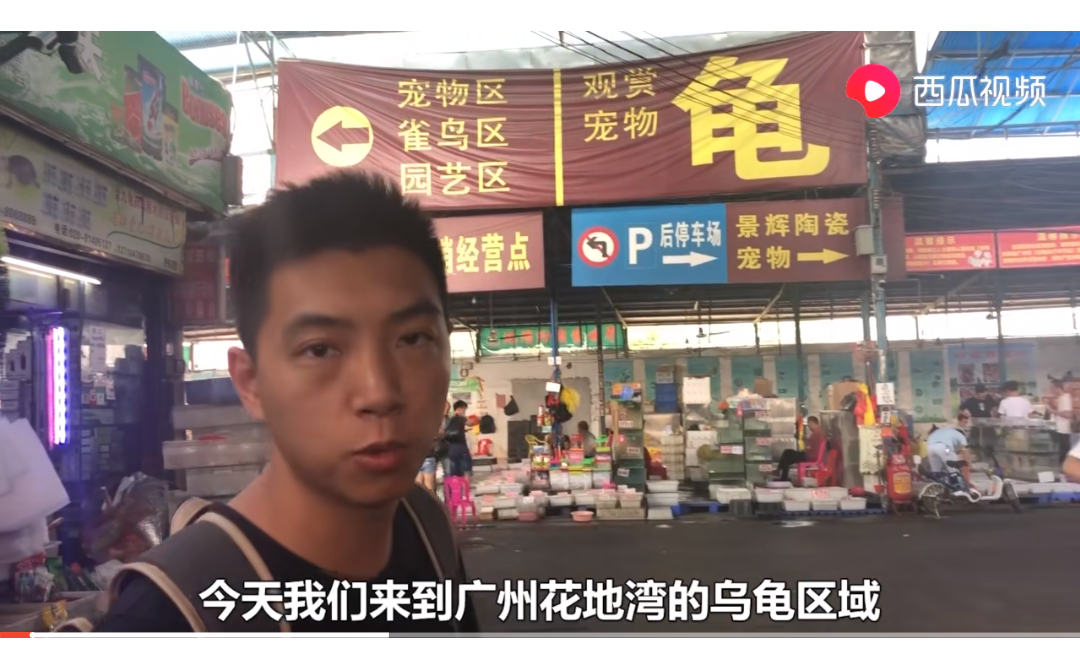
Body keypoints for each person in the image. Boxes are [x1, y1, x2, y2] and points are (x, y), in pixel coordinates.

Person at [95, 172, 478, 632]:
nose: (379, 393)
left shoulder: (426, 529)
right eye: (320, 349)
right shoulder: (166, 620)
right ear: (251, 383)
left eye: (412, 339)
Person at [926, 412, 975, 489]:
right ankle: (960, 490)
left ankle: (938, 490)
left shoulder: (947, 431)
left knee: (937, 473)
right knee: (954, 470)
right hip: (945, 448)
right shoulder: (961, 436)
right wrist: (968, 463)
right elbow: (964, 451)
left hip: (930, 446)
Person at [776, 416, 826, 483]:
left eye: (809, 425)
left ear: (811, 423)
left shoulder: (817, 433)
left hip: (809, 456)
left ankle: (781, 473)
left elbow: (808, 444)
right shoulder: (820, 431)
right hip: (810, 455)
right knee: (787, 455)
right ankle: (782, 474)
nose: (809, 427)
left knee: (787, 454)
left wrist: (802, 438)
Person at [444, 400, 472, 478]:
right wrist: (464, 416)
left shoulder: (449, 419)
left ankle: (455, 485)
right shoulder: (460, 418)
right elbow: (471, 423)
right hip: (462, 450)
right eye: (464, 410)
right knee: (466, 471)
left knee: (454, 474)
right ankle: (465, 485)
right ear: (460, 409)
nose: (465, 412)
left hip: (451, 451)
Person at [1049, 380, 1073, 462]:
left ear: (1058, 388)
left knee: (1065, 452)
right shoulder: (1061, 398)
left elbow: (1068, 414)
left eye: (1052, 389)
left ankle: (1065, 467)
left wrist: (1053, 411)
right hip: (1061, 429)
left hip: (1065, 429)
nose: (1051, 391)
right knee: (1062, 451)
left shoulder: (1066, 398)